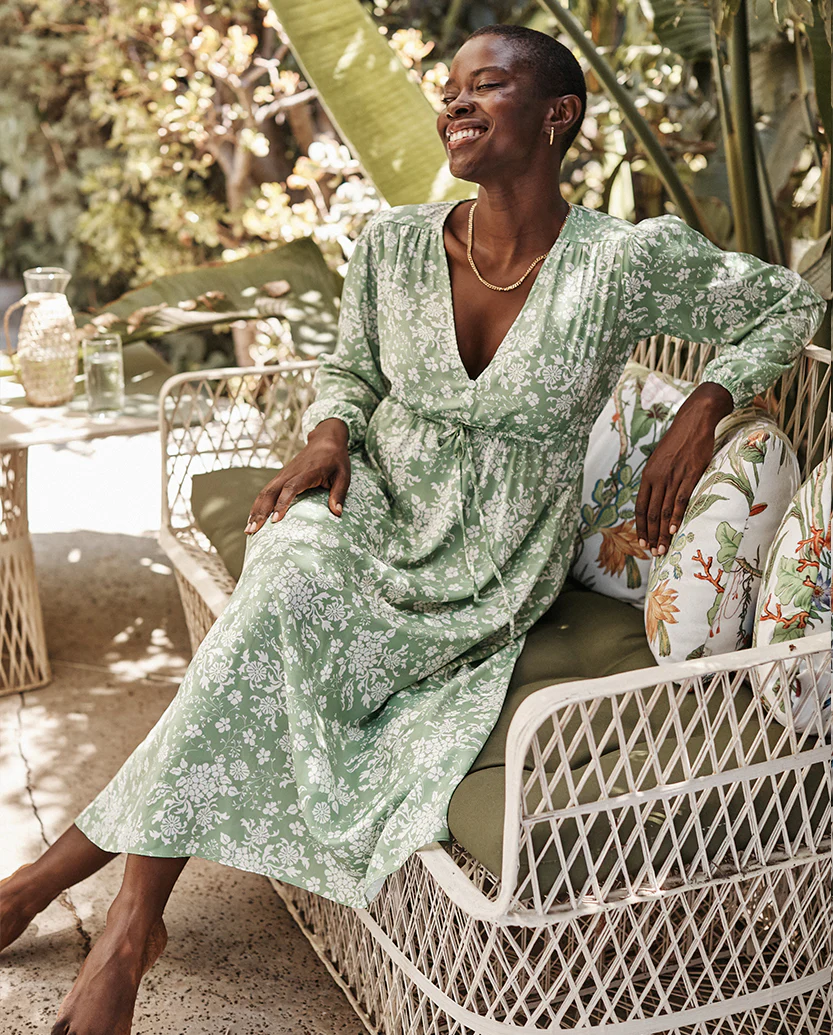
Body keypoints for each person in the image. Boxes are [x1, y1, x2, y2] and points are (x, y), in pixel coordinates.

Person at [2, 23, 827, 1035]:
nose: (455, 105)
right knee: (281, 584)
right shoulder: (393, 246)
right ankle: (127, 932)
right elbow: (350, 373)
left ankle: (60, 889)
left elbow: (783, 304)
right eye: (449, 91)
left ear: (556, 115)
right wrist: (325, 433)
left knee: (255, 645)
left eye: (487, 85)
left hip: (490, 569)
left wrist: (706, 401)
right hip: (370, 503)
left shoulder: (621, 264)